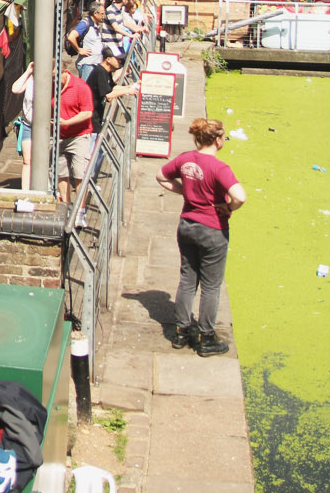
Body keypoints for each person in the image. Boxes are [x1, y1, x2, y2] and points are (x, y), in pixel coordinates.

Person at [156, 117, 246, 356]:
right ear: (217, 141)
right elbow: (240, 196)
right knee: (211, 286)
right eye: (224, 137)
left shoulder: (185, 159)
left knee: (187, 279)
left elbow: (161, 177)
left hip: (186, 224)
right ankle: (206, 337)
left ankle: (181, 332)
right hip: (212, 229)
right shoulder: (219, 168)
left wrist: (185, 191)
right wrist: (229, 208)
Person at [56, 67, 94, 205]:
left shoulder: (80, 87)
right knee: (61, 173)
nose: (54, 80)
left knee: (80, 174)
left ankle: (80, 211)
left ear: (65, 71)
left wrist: (67, 122)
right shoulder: (49, 86)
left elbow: (87, 112)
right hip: (59, 137)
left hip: (79, 136)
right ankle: (66, 207)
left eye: (56, 76)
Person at [86, 47, 138, 134]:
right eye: (117, 59)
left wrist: (129, 87)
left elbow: (112, 87)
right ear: (108, 59)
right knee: (93, 144)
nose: (120, 61)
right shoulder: (100, 72)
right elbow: (108, 95)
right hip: (91, 118)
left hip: (97, 115)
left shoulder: (106, 71)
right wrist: (127, 91)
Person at [67, 1, 116, 80]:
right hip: (87, 64)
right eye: (102, 14)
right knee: (87, 89)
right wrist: (79, 50)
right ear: (95, 13)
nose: (104, 16)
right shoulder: (85, 24)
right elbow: (71, 37)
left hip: (95, 63)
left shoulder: (96, 25)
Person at [10, 60, 35, 192]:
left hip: (45, 128)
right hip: (28, 125)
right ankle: (25, 192)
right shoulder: (30, 80)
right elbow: (15, 89)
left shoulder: (51, 81)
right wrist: (28, 71)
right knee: (27, 160)